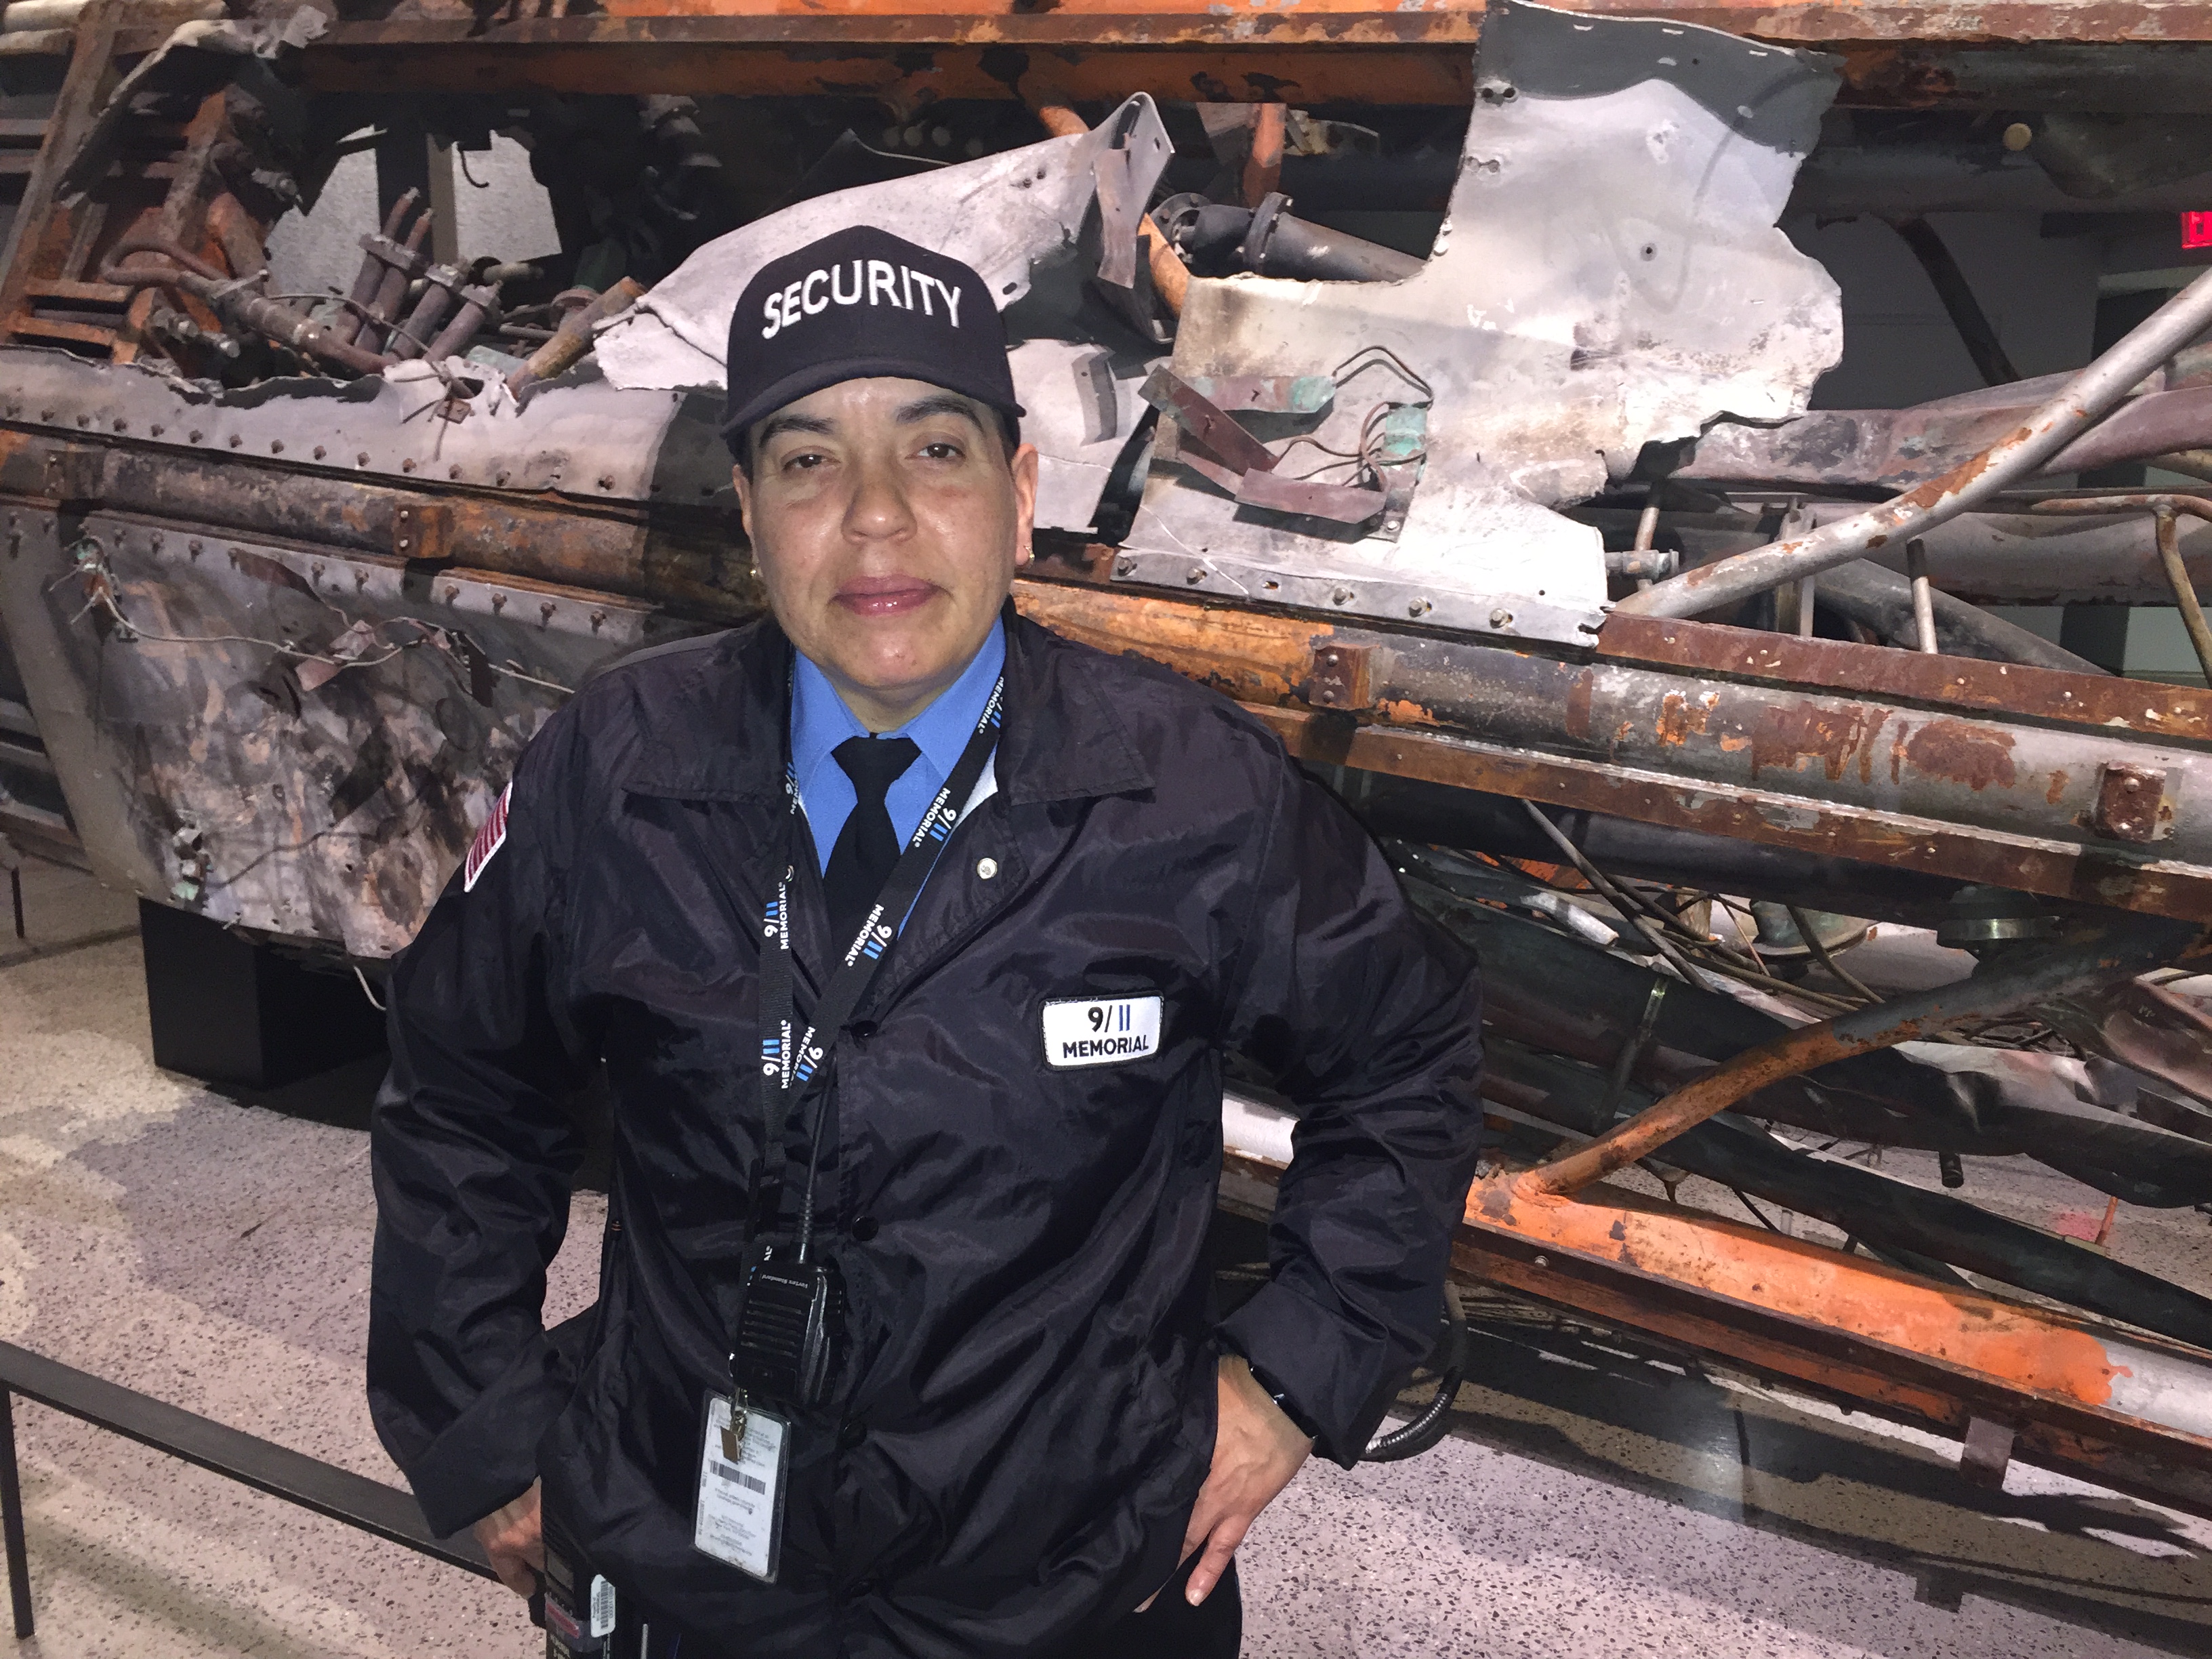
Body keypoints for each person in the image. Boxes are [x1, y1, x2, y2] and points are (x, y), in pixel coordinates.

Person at [367, 224, 1484, 1659]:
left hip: (1075, 1587)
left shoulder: (1193, 791)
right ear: (750, 514)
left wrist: (1292, 1378)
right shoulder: (612, 770)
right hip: (690, 1561)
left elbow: (1404, 1052)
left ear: (1023, 495)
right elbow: (464, 1093)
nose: (878, 517)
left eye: (938, 451)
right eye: (810, 461)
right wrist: (483, 1432)